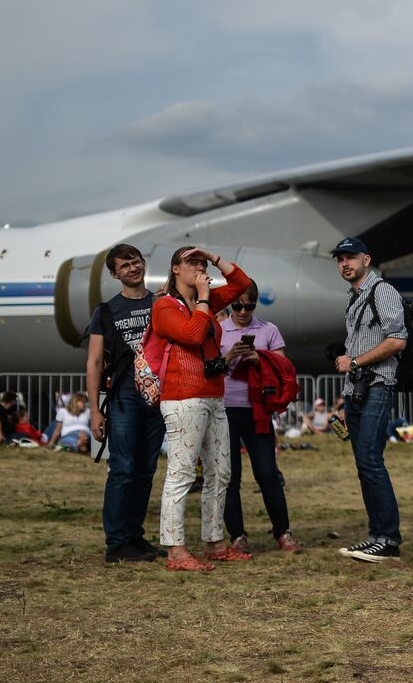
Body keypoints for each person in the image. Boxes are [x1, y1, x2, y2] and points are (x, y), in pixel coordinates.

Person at [151, 246, 253, 572]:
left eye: (201, 262)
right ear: (175, 269)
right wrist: (206, 297)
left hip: (213, 395)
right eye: (192, 262)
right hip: (183, 397)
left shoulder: (203, 298)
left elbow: (241, 285)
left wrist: (214, 257)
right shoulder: (165, 305)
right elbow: (193, 334)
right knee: (181, 474)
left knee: (220, 472)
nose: (199, 267)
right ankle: (175, 550)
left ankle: (215, 543)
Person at [81, 245, 166, 561]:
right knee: (123, 469)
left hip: (157, 397)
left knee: (145, 470)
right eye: (125, 265)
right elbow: (93, 362)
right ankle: (116, 544)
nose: (133, 268)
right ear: (114, 274)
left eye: (136, 261)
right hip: (124, 398)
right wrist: (94, 410)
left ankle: (134, 535)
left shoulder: (161, 303)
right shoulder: (105, 312)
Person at [331, 236, 408, 564]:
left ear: (366, 259)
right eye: (339, 259)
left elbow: (398, 340)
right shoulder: (354, 298)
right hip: (357, 390)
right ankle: (376, 535)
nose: (344, 263)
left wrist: (356, 362)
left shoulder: (382, 291)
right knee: (365, 465)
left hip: (378, 385)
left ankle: (388, 539)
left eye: (350, 257)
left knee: (371, 461)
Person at [218, 282, 301, 554]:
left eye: (249, 306)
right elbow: (209, 370)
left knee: (267, 474)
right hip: (225, 408)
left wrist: (259, 359)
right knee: (230, 477)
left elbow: (283, 369)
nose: (243, 311)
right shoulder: (218, 329)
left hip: (257, 410)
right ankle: (237, 536)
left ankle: (283, 532)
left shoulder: (268, 330)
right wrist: (230, 356)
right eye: (237, 306)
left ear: (256, 304)